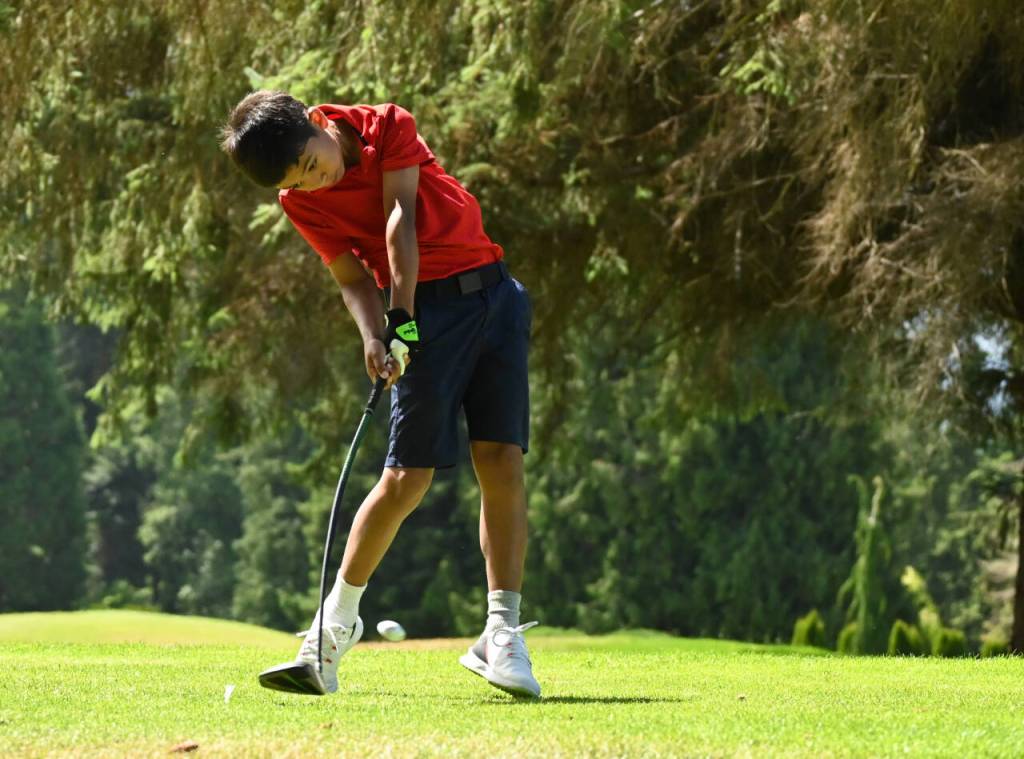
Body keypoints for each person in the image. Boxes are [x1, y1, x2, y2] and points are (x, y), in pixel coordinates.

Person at [220, 91, 540, 698]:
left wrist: (401, 316)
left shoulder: (384, 125)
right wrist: (376, 334)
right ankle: (331, 630)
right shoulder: (300, 201)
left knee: (501, 460)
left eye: (314, 166)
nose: (316, 183)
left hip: (494, 299)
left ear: (316, 124)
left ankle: (501, 632)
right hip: (420, 313)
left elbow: (401, 220)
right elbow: (348, 275)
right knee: (405, 478)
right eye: (301, 183)